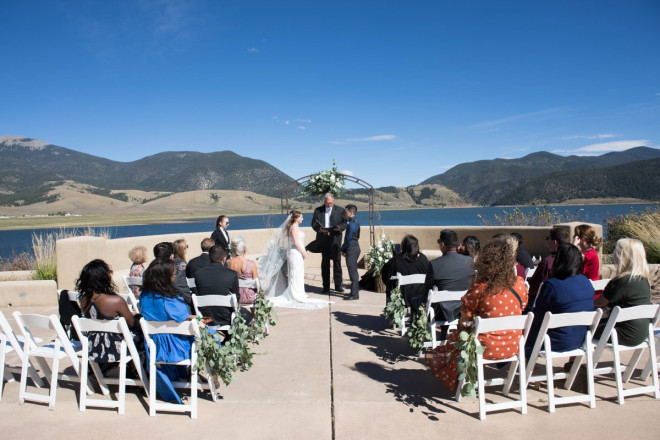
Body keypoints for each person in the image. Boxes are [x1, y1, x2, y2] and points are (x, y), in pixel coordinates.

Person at [426, 239, 528, 391]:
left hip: (484, 348)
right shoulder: (519, 284)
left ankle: (454, 376)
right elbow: (523, 305)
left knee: (455, 339)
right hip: (513, 345)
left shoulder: (481, 288)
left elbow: (465, 317)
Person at [139, 258, 200, 404]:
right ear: (165, 277)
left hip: (154, 345)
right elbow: (182, 320)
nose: (175, 276)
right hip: (175, 347)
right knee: (213, 337)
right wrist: (196, 319)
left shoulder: (144, 296)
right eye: (173, 273)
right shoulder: (172, 299)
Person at [525, 243, 595, 358]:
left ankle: (529, 364)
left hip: (553, 342)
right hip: (580, 339)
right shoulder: (586, 282)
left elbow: (538, 317)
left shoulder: (551, 285)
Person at [260, 210, 331, 308]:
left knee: (298, 272)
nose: (303, 218)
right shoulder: (293, 227)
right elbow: (296, 242)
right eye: (301, 217)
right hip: (295, 252)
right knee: (295, 273)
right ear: (296, 218)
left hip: (297, 252)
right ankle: (295, 294)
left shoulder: (294, 226)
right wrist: (303, 252)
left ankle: (299, 292)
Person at [76, 259, 139, 363]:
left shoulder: (83, 299)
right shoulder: (115, 300)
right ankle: (136, 370)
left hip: (94, 348)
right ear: (102, 277)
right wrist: (139, 318)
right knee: (145, 335)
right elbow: (132, 324)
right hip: (115, 349)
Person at [594, 238, 652, 346]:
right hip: (640, 333)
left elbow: (598, 303)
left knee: (583, 326)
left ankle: (576, 362)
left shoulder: (621, 281)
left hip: (621, 333)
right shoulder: (644, 280)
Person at [429, 229, 475, 325]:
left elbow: (426, 290)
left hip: (441, 314)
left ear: (442, 244)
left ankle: (443, 333)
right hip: (466, 309)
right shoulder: (470, 261)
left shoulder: (434, 264)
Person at [526, 226, 571, 313]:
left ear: (555, 242)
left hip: (543, 303)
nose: (546, 240)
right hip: (563, 299)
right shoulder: (571, 259)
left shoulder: (547, 262)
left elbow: (536, 286)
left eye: (548, 238)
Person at [194, 245, 240, 327]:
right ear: (224, 259)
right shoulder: (231, 274)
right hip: (225, 317)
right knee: (247, 315)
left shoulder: (198, 273)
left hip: (205, 317)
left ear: (209, 257)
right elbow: (236, 298)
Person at [384, 234, 433, 309]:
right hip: (420, 295)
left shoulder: (396, 260)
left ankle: (394, 314)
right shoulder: (423, 259)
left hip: (402, 296)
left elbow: (385, 274)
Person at [311, 193, 347, 293]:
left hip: (335, 239)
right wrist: (320, 229)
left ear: (333, 201)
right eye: (327, 204)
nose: (329, 205)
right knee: (325, 263)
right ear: (324, 202)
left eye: (330, 203)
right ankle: (326, 286)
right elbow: (313, 224)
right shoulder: (318, 210)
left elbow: (345, 223)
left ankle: (338, 285)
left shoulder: (340, 210)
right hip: (323, 239)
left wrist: (339, 228)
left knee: (337, 262)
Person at [227, 236, 259, 306]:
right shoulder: (251, 263)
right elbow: (257, 283)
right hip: (249, 298)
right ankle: (253, 315)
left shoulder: (228, 263)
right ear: (244, 249)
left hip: (234, 297)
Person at [340, 204, 361, 301]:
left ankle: (354, 294)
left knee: (352, 272)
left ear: (351, 212)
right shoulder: (354, 221)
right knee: (353, 270)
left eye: (346, 212)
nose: (345, 213)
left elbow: (348, 239)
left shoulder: (352, 224)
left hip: (352, 248)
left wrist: (342, 249)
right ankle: (354, 292)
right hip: (354, 247)